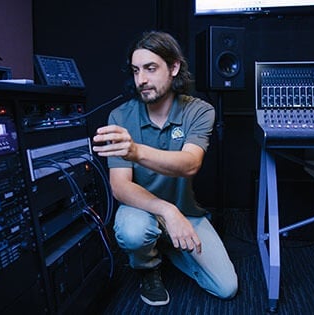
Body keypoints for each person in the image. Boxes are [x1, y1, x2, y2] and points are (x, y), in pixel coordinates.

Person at [92, 30, 238, 306]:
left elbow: (190, 164)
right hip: (142, 210)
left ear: (174, 68)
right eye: (136, 71)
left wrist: (135, 151)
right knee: (133, 231)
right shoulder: (120, 116)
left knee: (226, 287)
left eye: (150, 68)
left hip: (187, 211)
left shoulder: (199, 111)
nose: (141, 80)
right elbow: (120, 186)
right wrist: (167, 210)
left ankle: (167, 246)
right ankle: (148, 267)